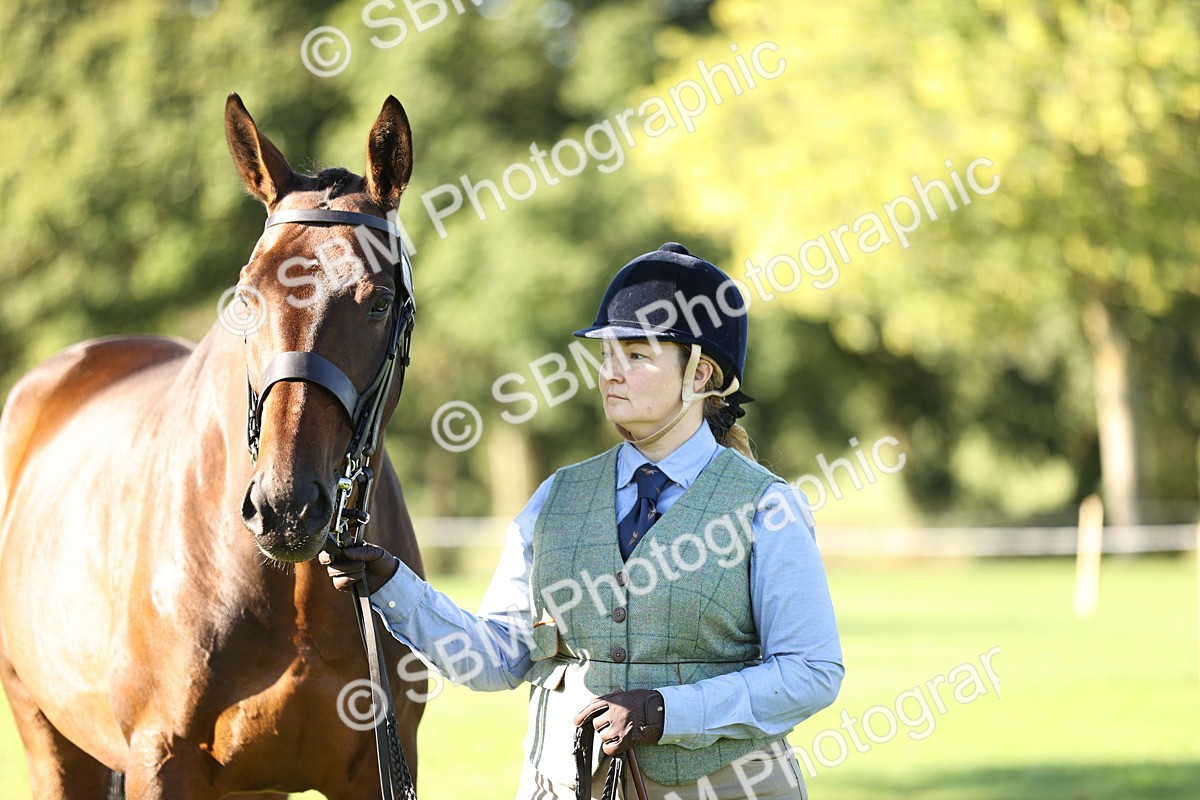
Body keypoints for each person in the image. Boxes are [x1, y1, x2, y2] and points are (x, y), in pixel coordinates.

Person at [322, 243, 843, 799]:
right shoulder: (555, 497)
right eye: (607, 355)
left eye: (636, 355)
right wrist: (392, 584)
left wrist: (667, 711)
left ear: (701, 374)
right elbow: (498, 658)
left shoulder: (768, 507)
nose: (610, 374)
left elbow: (811, 671)